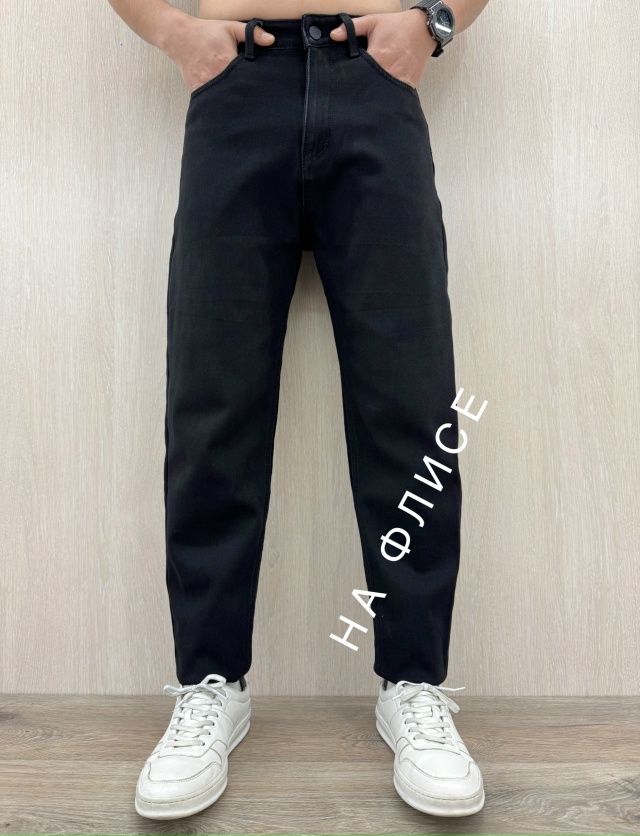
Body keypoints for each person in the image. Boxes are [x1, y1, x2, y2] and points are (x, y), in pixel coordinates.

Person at [107, 0, 491, 820]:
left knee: (411, 401)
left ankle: (414, 683)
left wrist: (433, 21)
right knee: (213, 402)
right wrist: (176, 34)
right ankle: (211, 682)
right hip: (237, 88)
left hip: (374, 82)